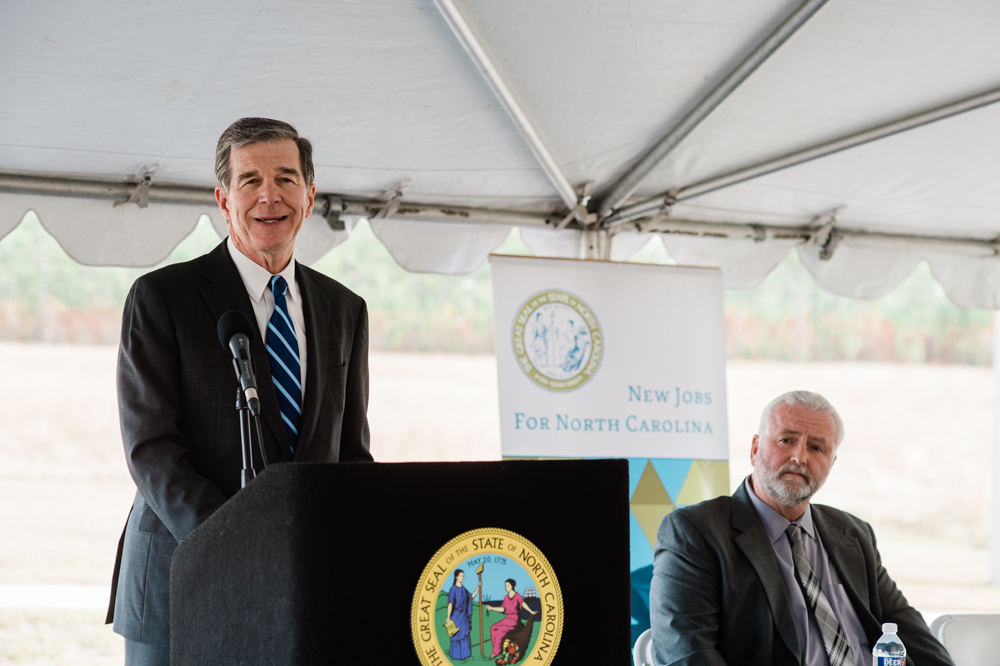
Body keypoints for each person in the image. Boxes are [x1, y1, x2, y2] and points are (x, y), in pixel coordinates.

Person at [105, 117, 373, 665]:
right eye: (250, 180)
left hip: (298, 586)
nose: (269, 196)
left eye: (286, 178)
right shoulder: (162, 298)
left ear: (311, 195)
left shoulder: (345, 310)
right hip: (182, 574)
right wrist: (237, 542)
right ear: (224, 200)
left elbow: (350, 454)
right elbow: (152, 450)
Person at [650, 390, 953, 666]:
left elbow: (911, 633)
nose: (800, 457)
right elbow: (688, 656)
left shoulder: (853, 533)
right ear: (755, 448)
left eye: (817, 447)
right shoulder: (695, 533)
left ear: (831, 464)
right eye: (786, 440)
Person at [486, 579, 538, 658]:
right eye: (505, 586)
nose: (506, 587)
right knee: (493, 628)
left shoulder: (517, 596)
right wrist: (491, 608)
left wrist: (531, 611)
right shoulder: (506, 597)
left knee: (500, 631)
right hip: (507, 619)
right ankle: (498, 651)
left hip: (514, 620)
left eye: (508, 586)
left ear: (512, 586)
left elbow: (523, 604)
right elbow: (503, 609)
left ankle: (495, 652)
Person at [445, 569, 481, 660]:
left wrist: (478, 588)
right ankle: (457, 655)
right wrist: (448, 617)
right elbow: (450, 603)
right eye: (461, 576)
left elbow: (471, 596)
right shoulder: (453, 589)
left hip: (464, 617)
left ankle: (465, 655)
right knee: (456, 634)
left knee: (465, 634)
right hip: (456, 616)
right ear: (456, 576)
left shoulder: (464, 589)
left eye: (463, 576)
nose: (462, 577)